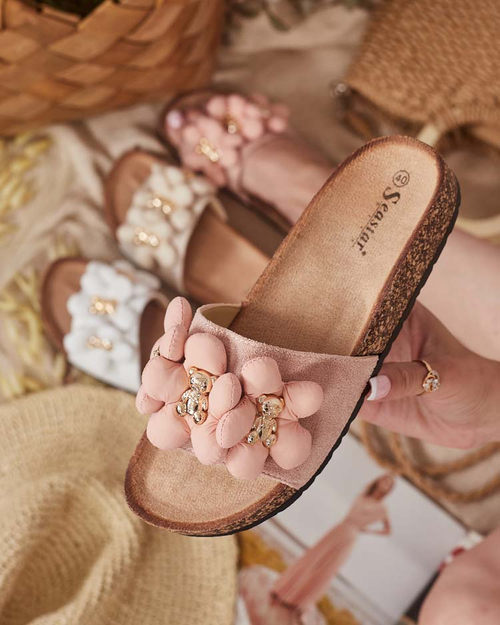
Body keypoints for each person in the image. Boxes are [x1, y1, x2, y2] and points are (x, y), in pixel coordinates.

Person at [238, 474, 394, 625]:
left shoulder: (382, 508)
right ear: (379, 480)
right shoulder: (363, 496)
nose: (384, 483)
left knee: (325, 569)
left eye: (388, 483)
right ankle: (285, 590)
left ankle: (296, 599)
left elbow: (387, 530)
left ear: (389, 489)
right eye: (384, 479)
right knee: (311, 560)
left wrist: (365, 530)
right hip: (339, 529)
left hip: (349, 537)